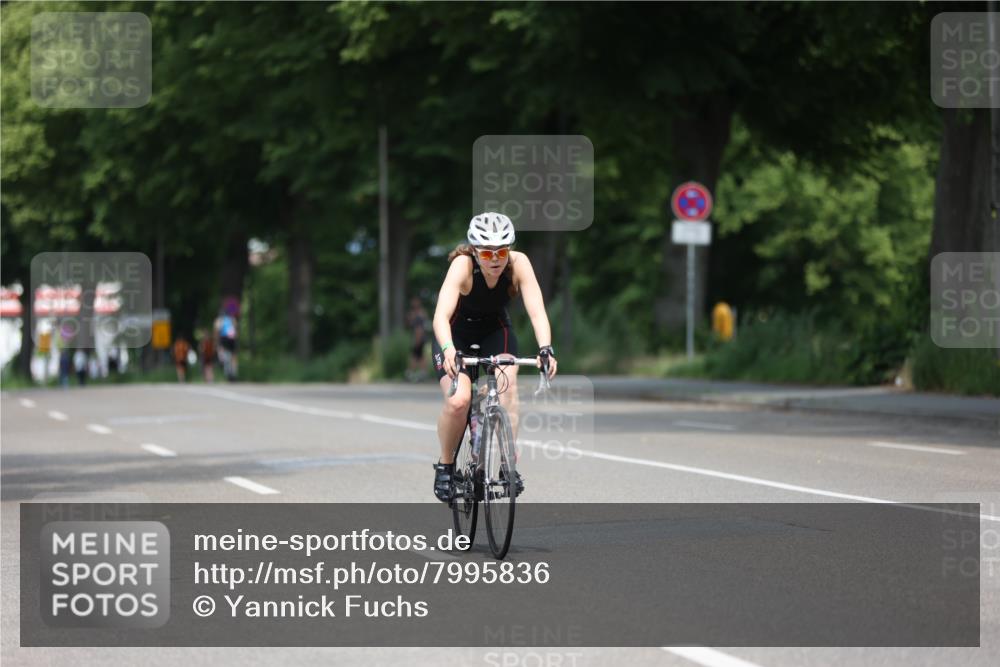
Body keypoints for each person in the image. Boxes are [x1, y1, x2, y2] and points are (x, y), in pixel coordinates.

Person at [430, 212, 558, 503]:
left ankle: (506, 463)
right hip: (454, 335)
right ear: (475, 251)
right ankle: (446, 466)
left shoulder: (519, 263)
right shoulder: (462, 265)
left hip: (495, 330)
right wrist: (448, 349)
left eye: (502, 251)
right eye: (487, 253)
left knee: (507, 388)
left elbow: (537, 311)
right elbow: (440, 316)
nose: (495, 259)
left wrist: (545, 349)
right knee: (458, 401)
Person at [405, 296, 430, 382]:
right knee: (420, 356)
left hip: (419, 339)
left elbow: (419, 329)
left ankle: (411, 373)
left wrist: (417, 341)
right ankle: (422, 373)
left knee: (415, 356)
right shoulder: (416, 314)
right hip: (418, 338)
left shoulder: (420, 314)